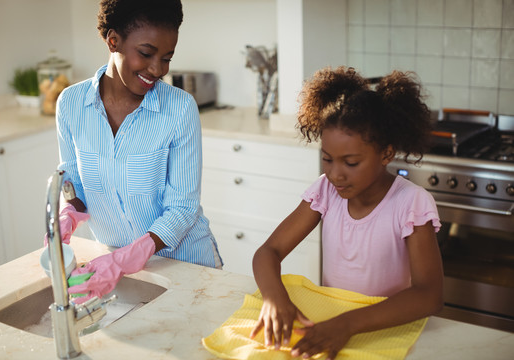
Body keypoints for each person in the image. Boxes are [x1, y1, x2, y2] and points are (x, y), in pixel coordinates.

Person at [250, 66, 444, 359]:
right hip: (334, 325)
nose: (335, 174)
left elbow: (429, 295)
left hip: (385, 331)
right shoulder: (325, 191)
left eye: (351, 163)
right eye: (327, 159)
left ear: (386, 154)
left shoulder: (411, 204)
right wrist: (275, 298)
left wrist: (348, 324)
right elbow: (268, 252)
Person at [49, 0, 222, 304]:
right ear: (113, 40)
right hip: (115, 270)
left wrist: (127, 259)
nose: (157, 69)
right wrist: (69, 213)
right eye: (146, 53)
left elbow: (183, 208)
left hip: (185, 264)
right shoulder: (70, 104)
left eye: (167, 58)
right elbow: (72, 174)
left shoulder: (179, 109)